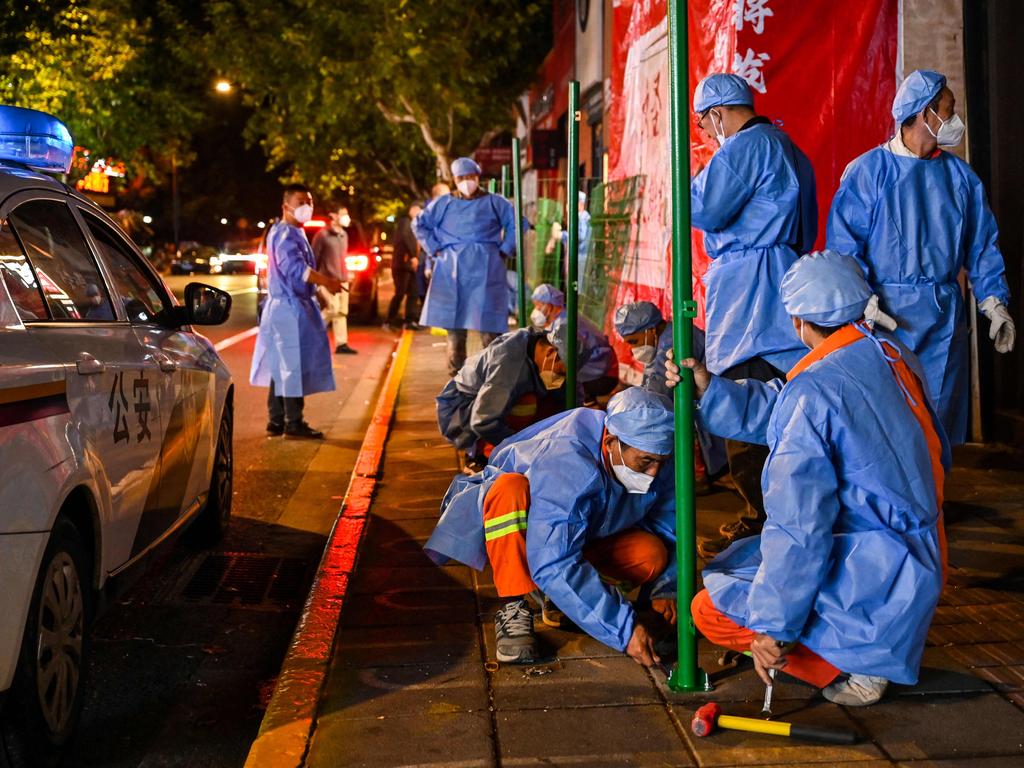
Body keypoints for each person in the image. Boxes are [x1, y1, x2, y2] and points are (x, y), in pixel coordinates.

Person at [667, 251, 947, 707]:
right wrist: (709, 388)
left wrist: (774, 628)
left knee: (709, 608)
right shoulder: (893, 355)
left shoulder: (813, 390)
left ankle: (851, 666)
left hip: (874, 574)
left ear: (798, 322)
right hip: (917, 554)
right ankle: (870, 649)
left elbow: (799, 528)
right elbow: (790, 407)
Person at [425, 387, 679, 665]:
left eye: (660, 462)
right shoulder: (567, 459)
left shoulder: (655, 455)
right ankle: (514, 604)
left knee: (652, 554)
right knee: (510, 490)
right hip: (528, 528)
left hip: (582, 532)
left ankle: (562, 597)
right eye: (646, 462)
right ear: (610, 442)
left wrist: (664, 590)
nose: (654, 472)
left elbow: (670, 526)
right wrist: (623, 628)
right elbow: (552, 560)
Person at [827, 69, 1015, 445]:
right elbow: (844, 248)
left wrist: (994, 303)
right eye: (949, 109)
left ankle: (934, 501)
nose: (954, 118)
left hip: (943, 317)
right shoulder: (868, 173)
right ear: (925, 113)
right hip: (884, 318)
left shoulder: (960, 178)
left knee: (937, 417)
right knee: (887, 420)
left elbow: (982, 245)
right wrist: (861, 304)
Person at [689, 72, 818, 557]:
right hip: (783, 278)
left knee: (740, 402)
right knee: (783, 400)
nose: (704, 135)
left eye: (704, 125)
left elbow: (701, 208)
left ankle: (763, 519)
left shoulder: (745, 147)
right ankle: (782, 512)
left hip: (748, 291)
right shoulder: (788, 147)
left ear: (718, 114)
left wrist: (686, 180)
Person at [250, 184, 344, 439]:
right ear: (286, 206)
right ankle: (293, 422)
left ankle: (277, 420)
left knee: (281, 364)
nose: (307, 207)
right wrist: (327, 283)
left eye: (310, 201)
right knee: (292, 363)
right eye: (301, 201)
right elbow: (296, 269)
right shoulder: (284, 235)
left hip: (290, 306)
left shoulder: (292, 231)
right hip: (288, 309)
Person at [414, 158, 516, 377]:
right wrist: (435, 249)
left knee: (491, 333)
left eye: (471, 177)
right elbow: (419, 224)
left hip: (487, 269)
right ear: (454, 180)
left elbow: (515, 222)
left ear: (478, 177)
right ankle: (457, 382)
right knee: (455, 333)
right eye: (462, 178)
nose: (467, 182)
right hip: (452, 271)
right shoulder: (444, 204)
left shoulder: (495, 202)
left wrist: (505, 249)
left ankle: (493, 379)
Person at [613, 300, 727, 489]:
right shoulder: (667, 336)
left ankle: (706, 474)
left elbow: (654, 396)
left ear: (650, 329)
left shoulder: (671, 345)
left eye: (634, 341)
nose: (633, 350)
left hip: (715, 402)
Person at [436, 324, 567, 473]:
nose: (561, 379)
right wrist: (523, 447)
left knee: (552, 398)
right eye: (561, 372)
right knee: (527, 402)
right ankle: (482, 456)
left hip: (487, 407)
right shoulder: (509, 367)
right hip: (464, 415)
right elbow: (484, 422)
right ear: (550, 352)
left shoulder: (540, 340)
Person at [530, 283, 618, 403]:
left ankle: (579, 401)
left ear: (549, 307)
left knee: (554, 379)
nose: (536, 311)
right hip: (602, 371)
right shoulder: (564, 318)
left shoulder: (564, 325)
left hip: (602, 377)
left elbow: (565, 365)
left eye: (538, 307)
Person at [311, 204, 357, 354]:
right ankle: (312, 334)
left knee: (342, 312)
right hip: (327, 280)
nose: (346, 217)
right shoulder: (322, 235)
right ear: (333, 216)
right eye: (343, 214)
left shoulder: (344, 235)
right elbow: (314, 258)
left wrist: (347, 274)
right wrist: (316, 280)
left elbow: (342, 258)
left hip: (342, 280)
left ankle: (341, 343)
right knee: (332, 308)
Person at [385, 202, 423, 331]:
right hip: (402, 265)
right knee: (400, 293)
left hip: (410, 265)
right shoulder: (405, 222)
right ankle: (388, 321)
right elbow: (406, 238)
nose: (419, 213)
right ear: (412, 209)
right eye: (418, 210)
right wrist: (413, 255)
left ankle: (410, 320)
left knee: (414, 292)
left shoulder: (414, 224)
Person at [545, 191, 593, 293]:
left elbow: (580, 236)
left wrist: (562, 235)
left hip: (581, 257)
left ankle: (577, 306)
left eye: (570, 203)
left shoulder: (583, 218)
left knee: (577, 286)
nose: (567, 206)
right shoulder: (579, 218)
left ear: (580, 204)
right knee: (574, 284)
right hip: (578, 257)